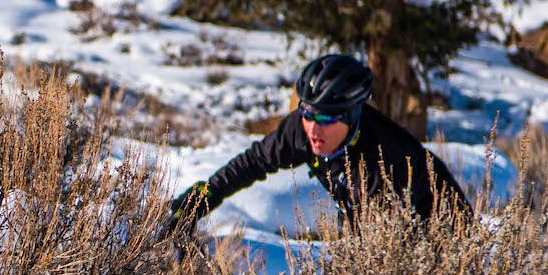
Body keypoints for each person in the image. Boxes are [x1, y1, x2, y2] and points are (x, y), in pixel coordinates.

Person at [163, 51, 463, 233]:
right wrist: (203, 198)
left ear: (351, 116)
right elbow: (252, 163)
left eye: (327, 119)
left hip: (438, 229)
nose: (313, 128)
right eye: (308, 114)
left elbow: (375, 248)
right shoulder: (302, 128)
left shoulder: (383, 161)